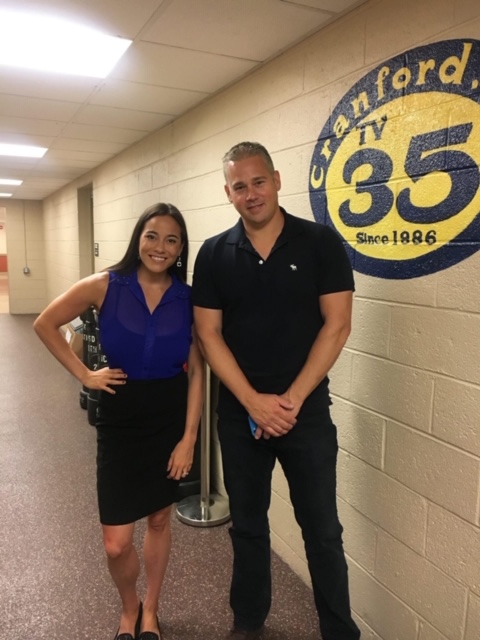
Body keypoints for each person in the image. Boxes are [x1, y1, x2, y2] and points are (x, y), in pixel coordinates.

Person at [192, 142, 360, 640]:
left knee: (323, 533)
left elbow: (338, 325)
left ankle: (339, 631)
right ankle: (248, 622)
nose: (250, 193)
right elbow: (208, 334)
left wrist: (288, 403)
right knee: (247, 527)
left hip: (303, 414)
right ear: (228, 192)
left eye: (258, 181)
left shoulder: (321, 244)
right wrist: (252, 402)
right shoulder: (214, 253)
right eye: (239, 186)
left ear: (277, 179)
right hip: (240, 416)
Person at [34, 202, 204, 640]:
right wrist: (85, 374)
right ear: (138, 238)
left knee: (160, 521)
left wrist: (189, 437)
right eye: (152, 236)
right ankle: (130, 605)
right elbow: (46, 323)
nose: (160, 247)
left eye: (172, 239)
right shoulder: (106, 285)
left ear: (181, 247)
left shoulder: (188, 299)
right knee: (116, 541)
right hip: (120, 416)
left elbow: (198, 370)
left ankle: (152, 612)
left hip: (168, 413)